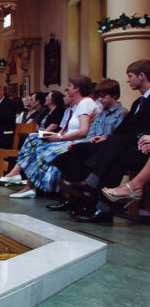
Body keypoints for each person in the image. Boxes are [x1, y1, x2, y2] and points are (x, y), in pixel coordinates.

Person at [61, 59, 150, 223]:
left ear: (142, 76)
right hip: (134, 146)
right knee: (90, 150)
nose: (128, 80)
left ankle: (90, 186)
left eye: (130, 76)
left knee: (113, 149)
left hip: (145, 150)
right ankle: (98, 207)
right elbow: (125, 129)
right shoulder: (139, 102)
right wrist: (107, 138)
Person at [0, 76, 97, 198]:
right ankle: (17, 174)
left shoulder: (86, 103)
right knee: (34, 137)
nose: (67, 88)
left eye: (70, 86)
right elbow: (72, 130)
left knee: (40, 149)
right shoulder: (80, 104)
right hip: (68, 140)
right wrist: (57, 135)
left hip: (77, 144)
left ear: (77, 89)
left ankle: (30, 186)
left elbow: (83, 131)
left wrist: (59, 138)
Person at [46, 79, 126, 212]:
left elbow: (118, 136)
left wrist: (104, 138)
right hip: (93, 145)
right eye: (99, 97)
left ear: (114, 96)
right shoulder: (101, 113)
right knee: (69, 155)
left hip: (106, 147)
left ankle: (76, 199)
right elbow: (91, 133)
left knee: (77, 156)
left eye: (103, 96)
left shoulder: (122, 113)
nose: (100, 100)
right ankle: (75, 197)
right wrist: (89, 141)